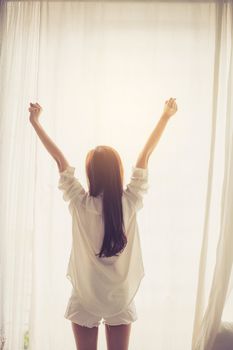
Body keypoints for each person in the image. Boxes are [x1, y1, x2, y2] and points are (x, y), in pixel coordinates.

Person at [29, 97, 178, 350]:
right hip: (120, 297)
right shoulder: (130, 201)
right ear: (117, 172)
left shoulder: (79, 202)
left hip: (85, 297)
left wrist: (35, 122)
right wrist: (165, 117)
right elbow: (146, 154)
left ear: (91, 174)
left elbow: (59, 160)